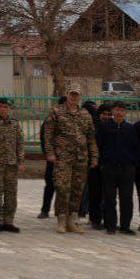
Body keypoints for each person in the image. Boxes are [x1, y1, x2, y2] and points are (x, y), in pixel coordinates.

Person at [42, 87, 98, 234]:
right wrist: (50, 153)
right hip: (62, 158)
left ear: (80, 96)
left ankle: (71, 220)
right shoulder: (56, 112)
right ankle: (61, 219)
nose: (74, 97)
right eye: (71, 94)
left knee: (77, 189)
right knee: (62, 187)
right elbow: (48, 134)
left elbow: (91, 138)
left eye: (76, 94)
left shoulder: (85, 114)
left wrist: (94, 157)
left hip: (81, 158)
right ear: (67, 95)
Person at [96, 100, 139, 235]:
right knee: (109, 198)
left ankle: (125, 226)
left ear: (125, 112)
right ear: (112, 111)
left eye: (122, 110)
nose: (119, 112)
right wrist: (103, 162)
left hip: (127, 169)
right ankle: (111, 225)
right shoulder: (104, 127)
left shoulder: (131, 128)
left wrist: (132, 162)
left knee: (126, 198)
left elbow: (136, 148)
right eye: (116, 109)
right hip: (109, 168)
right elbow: (99, 145)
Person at [0, 96, 24, 233]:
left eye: (6, 107)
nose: (3, 109)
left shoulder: (15, 124)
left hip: (11, 164)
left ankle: (9, 221)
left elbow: (20, 143)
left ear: (9, 109)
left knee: (11, 194)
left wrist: (21, 161)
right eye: (0, 106)